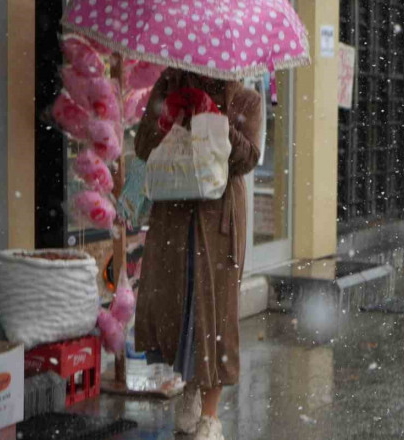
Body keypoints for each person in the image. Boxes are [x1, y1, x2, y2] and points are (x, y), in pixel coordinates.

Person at [133, 68, 261, 440]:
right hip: (174, 215)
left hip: (219, 221)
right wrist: (167, 116)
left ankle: (209, 416)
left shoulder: (246, 100)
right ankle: (189, 387)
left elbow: (248, 159)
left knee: (216, 316)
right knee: (177, 308)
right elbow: (143, 147)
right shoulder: (169, 84)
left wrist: (216, 121)